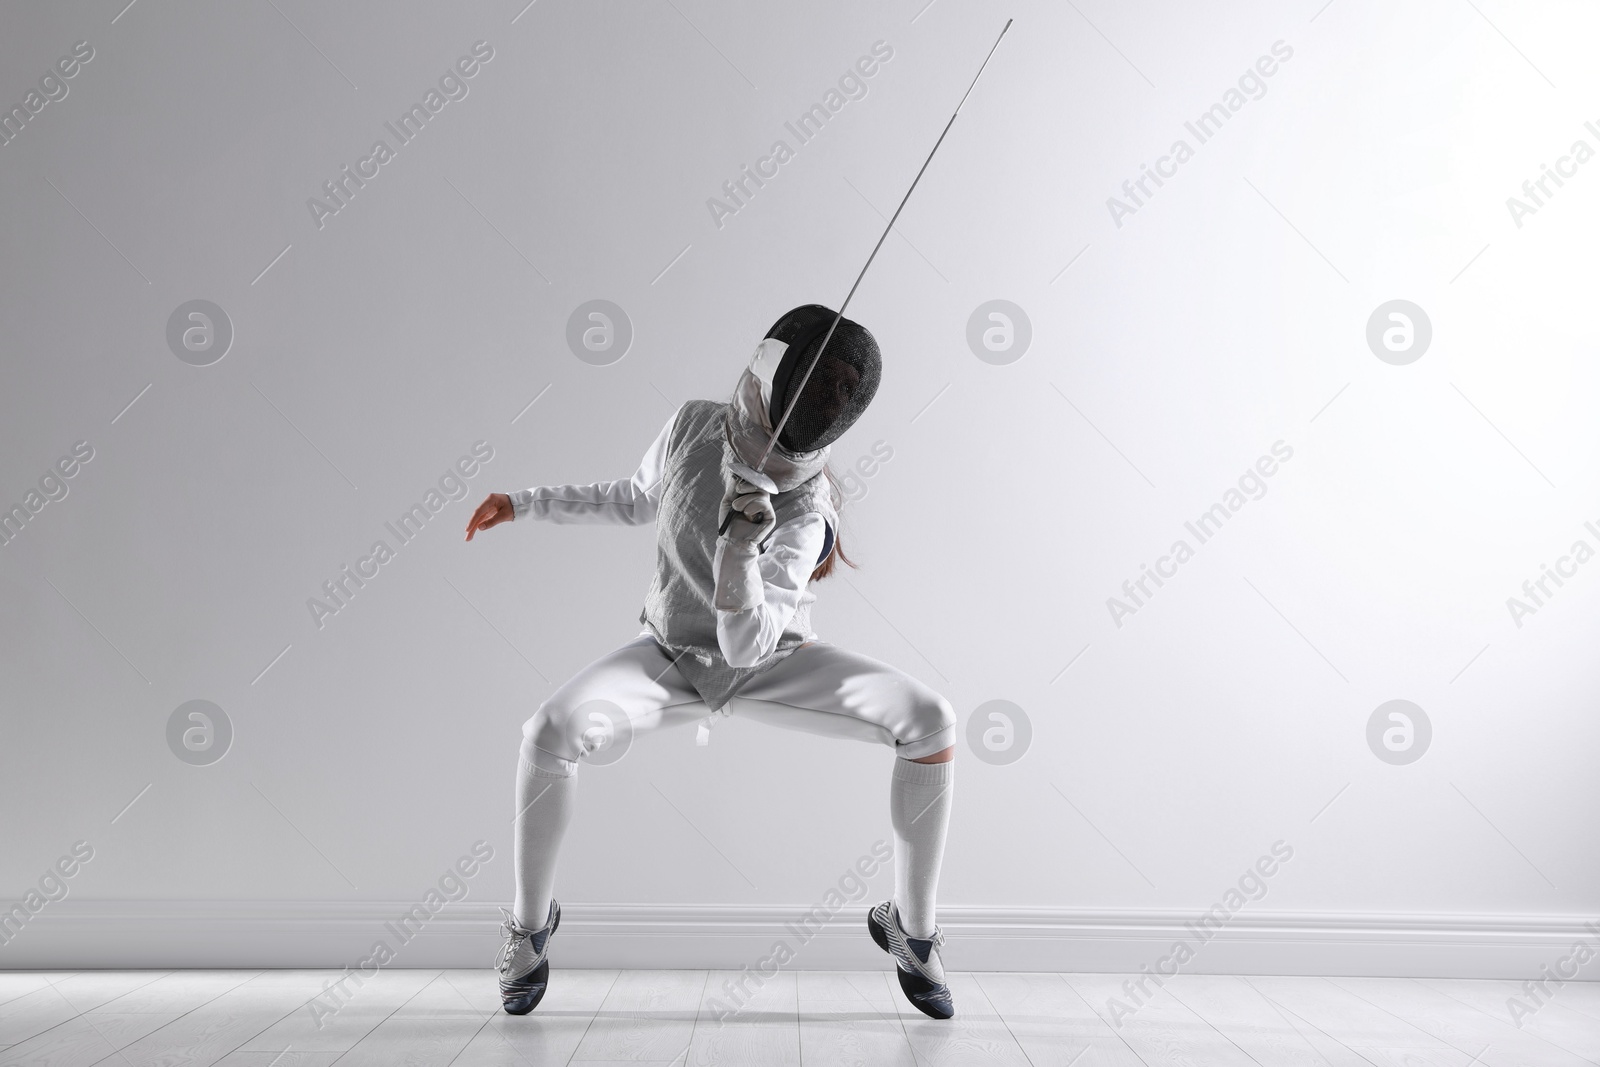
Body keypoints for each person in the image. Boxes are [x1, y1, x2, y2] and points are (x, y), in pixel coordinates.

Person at [464, 305, 957, 1019]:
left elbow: (747, 646)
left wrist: (740, 548)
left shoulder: (807, 510)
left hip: (773, 662)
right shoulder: (695, 422)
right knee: (547, 731)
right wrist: (522, 501)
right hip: (667, 655)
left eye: (840, 391)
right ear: (771, 370)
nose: (829, 394)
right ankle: (528, 928)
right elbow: (635, 498)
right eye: (823, 381)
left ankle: (911, 931)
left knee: (931, 719)